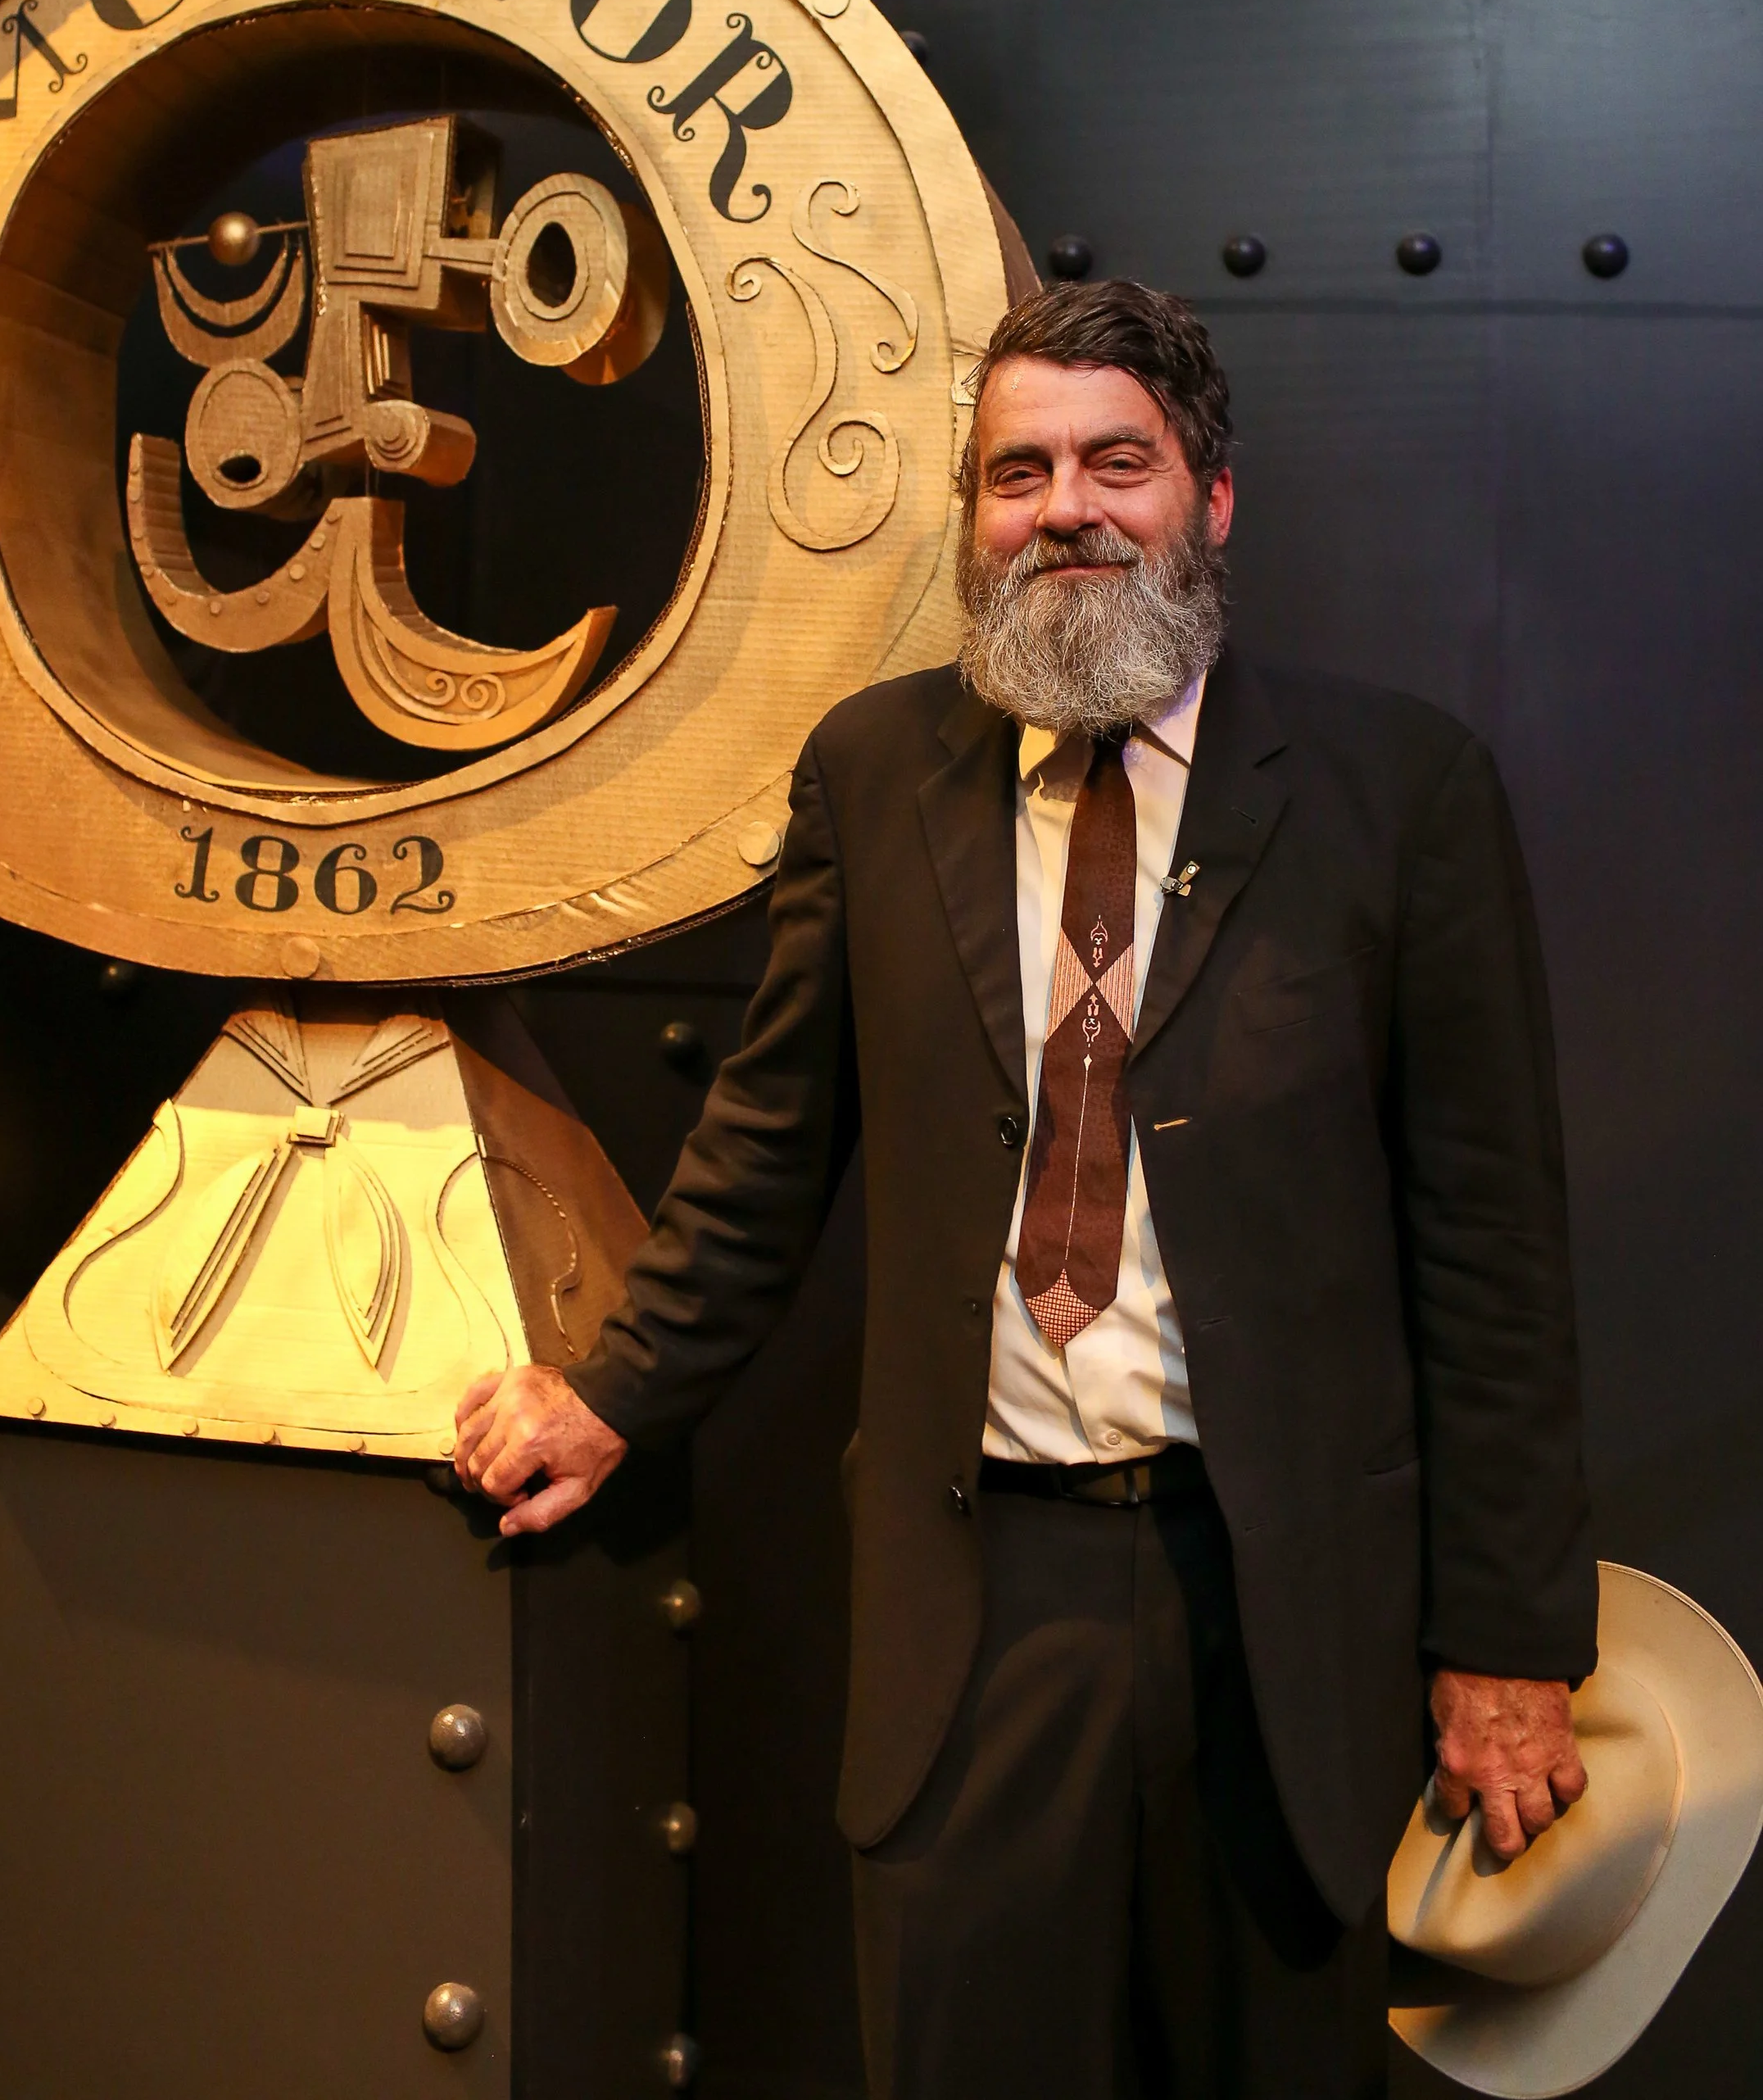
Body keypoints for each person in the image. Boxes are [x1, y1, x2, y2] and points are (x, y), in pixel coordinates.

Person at [455, 276, 1598, 2099]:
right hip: (975, 1614)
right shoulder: (872, 770)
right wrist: (607, 1398)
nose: (1063, 506)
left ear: (1208, 501)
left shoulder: (1399, 795)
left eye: (1113, 463)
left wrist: (1506, 1644)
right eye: (1016, 473)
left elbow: (1492, 1257)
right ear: (974, 518)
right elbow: (765, 1150)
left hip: (1283, 1618)